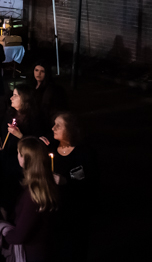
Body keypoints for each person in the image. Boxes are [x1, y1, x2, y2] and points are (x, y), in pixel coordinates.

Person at [45, 112, 97, 262]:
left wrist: (66, 181)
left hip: (76, 211)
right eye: (54, 124)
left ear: (70, 130)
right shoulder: (53, 149)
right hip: (55, 211)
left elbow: (88, 183)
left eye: (58, 126)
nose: (53, 128)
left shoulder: (83, 154)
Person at [0, 137, 59, 261]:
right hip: (46, 248)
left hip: (31, 253)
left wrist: (1, 232)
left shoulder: (33, 195)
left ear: (26, 159)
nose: (17, 156)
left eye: (19, 153)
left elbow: (19, 236)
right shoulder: (48, 183)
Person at [0, 84, 44, 213]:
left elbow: (35, 143)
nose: (11, 98)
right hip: (4, 157)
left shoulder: (34, 119)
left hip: (19, 164)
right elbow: (0, 128)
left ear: (25, 99)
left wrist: (20, 135)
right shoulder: (10, 113)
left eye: (15, 95)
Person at [31, 61, 68, 126]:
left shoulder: (50, 89)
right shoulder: (32, 86)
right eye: (36, 70)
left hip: (44, 120)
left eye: (42, 71)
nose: (38, 73)